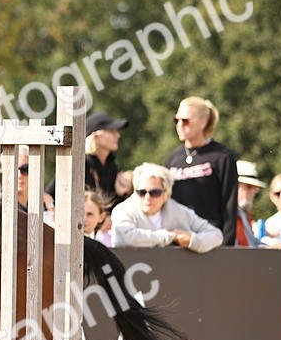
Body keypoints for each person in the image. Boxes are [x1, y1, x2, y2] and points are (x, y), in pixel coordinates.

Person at [165, 97, 238, 245]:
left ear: (203, 122)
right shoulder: (173, 158)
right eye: (176, 120)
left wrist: (227, 247)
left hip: (209, 239)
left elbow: (229, 205)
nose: (179, 125)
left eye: (185, 121)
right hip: (177, 240)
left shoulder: (222, 156)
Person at [112, 163, 223, 253]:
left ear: (166, 195)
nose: (147, 197)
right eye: (141, 192)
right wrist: (169, 237)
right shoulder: (122, 210)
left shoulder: (179, 212)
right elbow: (125, 237)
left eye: (155, 192)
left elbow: (216, 235)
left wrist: (192, 241)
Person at [81, 111, 128, 197]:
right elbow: (52, 194)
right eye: (112, 131)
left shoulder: (111, 166)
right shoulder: (81, 164)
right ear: (96, 136)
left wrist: (122, 193)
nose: (118, 135)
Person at [234, 160, 266, 247]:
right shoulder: (228, 216)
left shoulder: (243, 215)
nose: (253, 192)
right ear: (234, 186)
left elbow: (251, 244)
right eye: (249, 187)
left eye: (255, 188)